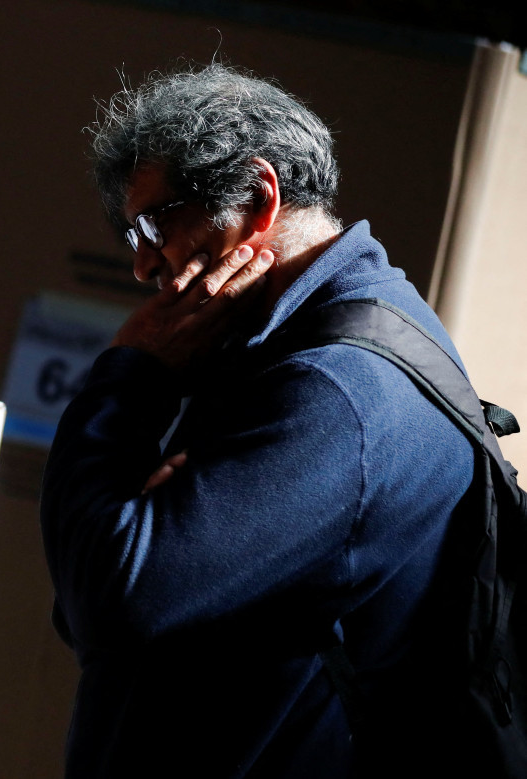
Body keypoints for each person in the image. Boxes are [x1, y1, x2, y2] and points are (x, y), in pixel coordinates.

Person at [39, 62, 475, 777]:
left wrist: (130, 374)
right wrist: (120, 533)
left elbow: (108, 601)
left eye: (155, 222)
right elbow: (88, 590)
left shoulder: (337, 391)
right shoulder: (281, 350)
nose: (145, 265)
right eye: (132, 235)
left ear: (258, 195)